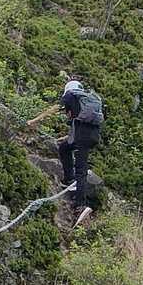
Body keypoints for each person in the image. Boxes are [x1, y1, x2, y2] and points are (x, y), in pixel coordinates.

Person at [27, 79, 104, 228]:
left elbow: (55, 109)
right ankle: (69, 180)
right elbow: (81, 124)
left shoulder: (70, 95)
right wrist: (66, 138)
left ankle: (80, 205)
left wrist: (34, 121)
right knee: (64, 148)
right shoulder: (86, 100)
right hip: (92, 137)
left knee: (81, 170)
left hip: (82, 138)